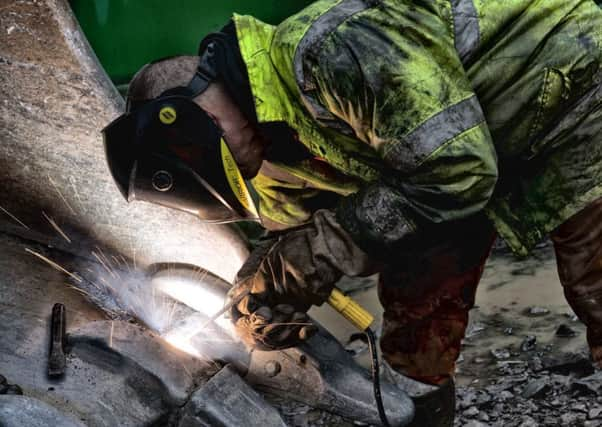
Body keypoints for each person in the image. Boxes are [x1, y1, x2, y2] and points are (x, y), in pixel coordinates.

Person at [103, 0, 602, 425]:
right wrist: (263, 292)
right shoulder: (264, 149)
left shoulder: (333, 52)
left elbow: (458, 170)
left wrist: (315, 253)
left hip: (574, 84)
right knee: (417, 310)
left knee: (595, 279)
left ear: (202, 120)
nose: (247, 177)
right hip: (487, 148)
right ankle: (418, 413)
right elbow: (302, 233)